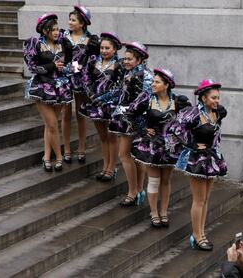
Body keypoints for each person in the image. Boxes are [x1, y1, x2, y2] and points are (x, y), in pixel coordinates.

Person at [166, 79, 227, 250]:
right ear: (203, 98)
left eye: (218, 98)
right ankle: (196, 235)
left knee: (206, 199)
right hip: (197, 160)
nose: (217, 101)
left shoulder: (217, 112)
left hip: (212, 158)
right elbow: (175, 129)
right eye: (213, 98)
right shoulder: (194, 114)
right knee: (199, 200)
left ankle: (202, 232)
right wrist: (191, 144)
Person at [129, 68, 191, 227]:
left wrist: (180, 136)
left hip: (170, 147)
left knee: (166, 180)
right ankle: (153, 212)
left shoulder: (178, 101)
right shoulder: (147, 99)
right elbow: (130, 113)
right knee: (154, 180)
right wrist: (142, 129)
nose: (153, 84)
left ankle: (164, 212)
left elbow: (188, 121)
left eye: (157, 82)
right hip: (152, 146)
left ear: (166, 85)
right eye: (153, 81)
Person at [23, 13, 73, 172]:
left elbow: (70, 66)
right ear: (45, 31)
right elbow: (32, 67)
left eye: (58, 29)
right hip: (42, 88)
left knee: (49, 125)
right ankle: (58, 157)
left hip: (60, 88)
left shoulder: (62, 44)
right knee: (52, 124)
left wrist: (66, 64)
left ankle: (46, 156)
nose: (57, 32)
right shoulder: (36, 44)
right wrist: (52, 66)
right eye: (53, 30)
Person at [109, 42, 153, 206]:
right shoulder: (130, 73)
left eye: (130, 59)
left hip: (134, 120)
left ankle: (133, 191)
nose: (125, 61)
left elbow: (145, 99)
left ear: (139, 59)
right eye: (125, 58)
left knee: (124, 155)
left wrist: (132, 117)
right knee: (135, 156)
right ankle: (138, 189)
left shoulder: (145, 76)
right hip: (128, 118)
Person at [79, 32, 124, 181]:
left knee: (112, 138)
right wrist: (92, 96)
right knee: (103, 137)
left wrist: (104, 99)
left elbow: (118, 87)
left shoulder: (119, 65)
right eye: (102, 48)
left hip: (110, 105)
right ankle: (105, 166)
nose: (104, 51)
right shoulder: (93, 62)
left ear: (114, 49)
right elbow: (85, 79)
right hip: (94, 104)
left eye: (107, 48)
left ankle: (112, 167)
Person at [61, 5, 99, 164]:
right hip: (64, 78)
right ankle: (67, 148)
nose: (70, 22)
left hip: (81, 81)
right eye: (69, 19)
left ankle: (82, 148)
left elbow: (91, 63)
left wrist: (78, 68)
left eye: (73, 20)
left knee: (81, 113)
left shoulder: (90, 40)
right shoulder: (63, 36)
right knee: (65, 114)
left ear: (82, 23)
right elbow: (59, 57)